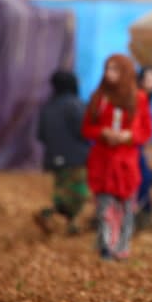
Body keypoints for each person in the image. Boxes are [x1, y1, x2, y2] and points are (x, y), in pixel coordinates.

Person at [81, 54, 152, 260]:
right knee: (104, 206)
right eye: (107, 69)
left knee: (126, 207)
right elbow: (87, 128)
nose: (108, 74)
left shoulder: (138, 99)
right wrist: (103, 133)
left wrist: (128, 136)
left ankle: (121, 246)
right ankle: (106, 246)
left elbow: (146, 131)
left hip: (126, 163)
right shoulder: (99, 98)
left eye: (114, 69)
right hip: (102, 161)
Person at [35, 70, 91, 236]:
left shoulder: (48, 107)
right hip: (76, 159)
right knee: (78, 194)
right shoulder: (76, 105)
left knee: (64, 191)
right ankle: (48, 214)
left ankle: (71, 225)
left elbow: (40, 135)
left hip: (54, 159)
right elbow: (84, 131)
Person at [135, 66, 152, 230]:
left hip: (138, 145)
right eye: (149, 79)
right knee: (143, 178)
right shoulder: (139, 97)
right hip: (133, 145)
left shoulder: (147, 98)